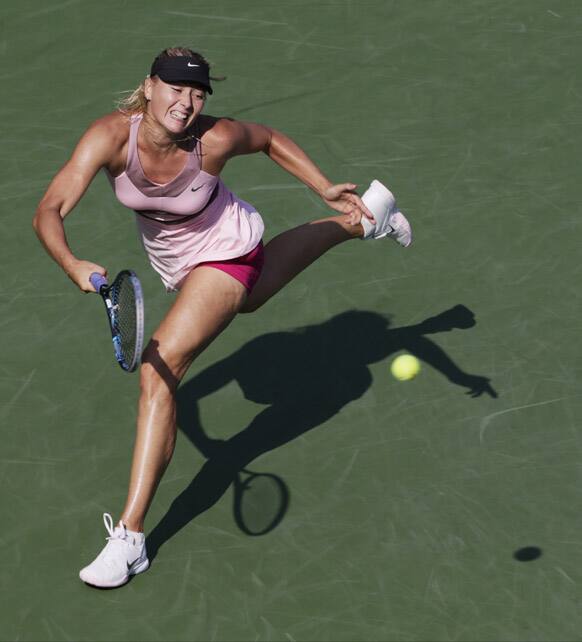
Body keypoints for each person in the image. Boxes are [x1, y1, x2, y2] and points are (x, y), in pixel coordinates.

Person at [32, 47, 412, 589]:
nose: (185, 103)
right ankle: (365, 222)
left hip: (227, 252)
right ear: (149, 87)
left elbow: (270, 139)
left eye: (197, 93)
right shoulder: (110, 137)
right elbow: (48, 209)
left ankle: (131, 539)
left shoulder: (213, 139)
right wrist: (70, 263)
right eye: (175, 88)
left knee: (158, 371)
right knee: (252, 299)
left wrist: (322, 183)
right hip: (181, 265)